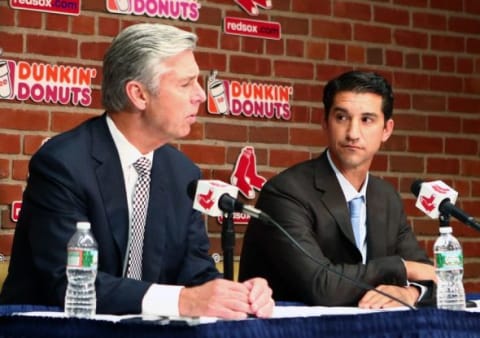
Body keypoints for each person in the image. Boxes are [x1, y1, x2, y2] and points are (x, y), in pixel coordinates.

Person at [0, 23, 273, 319]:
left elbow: (196, 274)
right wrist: (183, 301)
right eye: (185, 84)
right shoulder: (62, 165)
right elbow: (68, 284)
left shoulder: (182, 173)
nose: (201, 95)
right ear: (139, 94)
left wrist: (237, 297)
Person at [239, 70, 436, 309]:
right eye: (342, 117)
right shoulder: (286, 192)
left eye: (367, 120)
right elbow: (321, 286)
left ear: (386, 129)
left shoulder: (386, 198)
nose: (353, 133)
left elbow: (432, 276)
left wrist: (412, 293)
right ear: (325, 122)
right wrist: (401, 268)